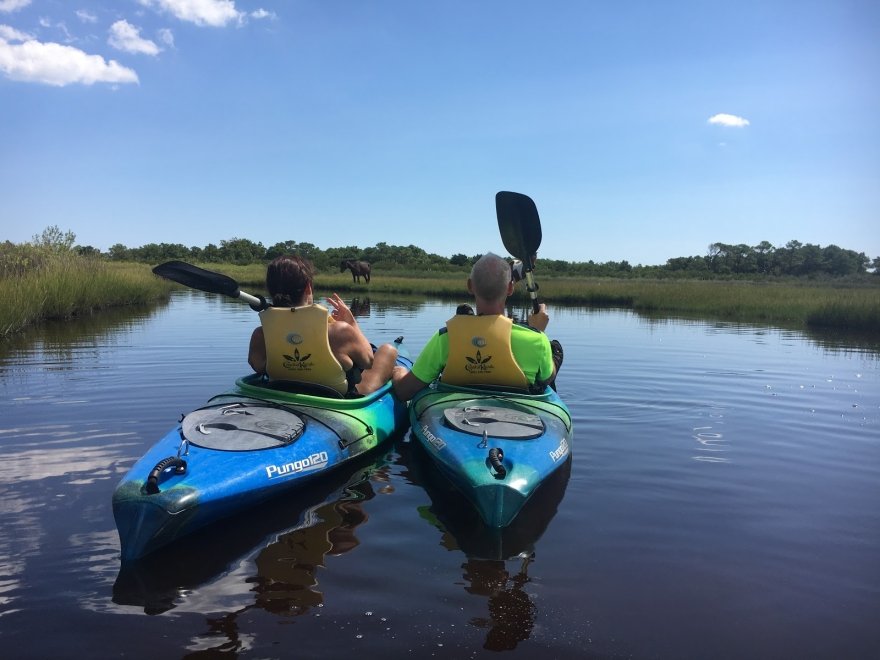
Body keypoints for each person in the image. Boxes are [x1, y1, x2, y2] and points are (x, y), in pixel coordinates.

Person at [392, 252, 556, 401]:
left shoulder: (445, 338)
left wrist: (399, 372)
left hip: (456, 418)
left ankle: (469, 321)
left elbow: (404, 391)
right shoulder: (537, 341)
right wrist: (537, 332)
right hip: (519, 418)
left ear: (470, 286)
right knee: (555, 349)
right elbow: (547, 380)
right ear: (511, 289)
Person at [248, 255, 398, 396]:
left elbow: (257, 365)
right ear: (308, 287)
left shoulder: (261, 334)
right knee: (387, 350)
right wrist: (352, 323)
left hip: (281, 390)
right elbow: (368, 361)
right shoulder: (340, 332)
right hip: (336, 397)